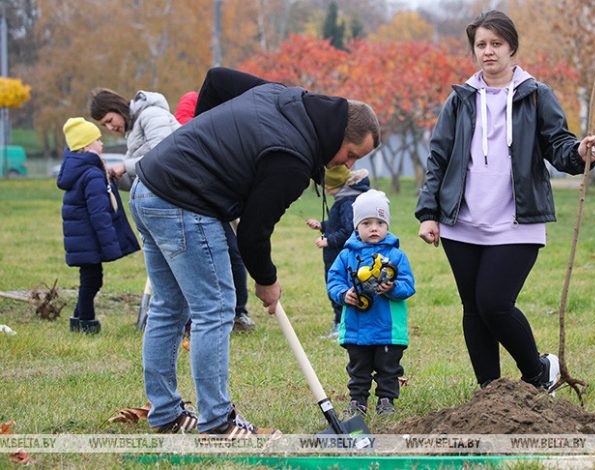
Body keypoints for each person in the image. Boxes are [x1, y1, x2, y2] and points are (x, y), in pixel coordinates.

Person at [128, 67, 380, 436]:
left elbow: (216, 79)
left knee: (169, 306)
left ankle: (166, 413)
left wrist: (198, 143)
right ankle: (217, 423)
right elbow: (253, 233)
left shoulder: (286, 97)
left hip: (148, 187)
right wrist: (267, 281)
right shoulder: (293, 159)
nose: (348, 164)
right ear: (338, 134)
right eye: (351, 153)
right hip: (182, 200)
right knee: (214, 308)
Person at [415, 10, 595, 393]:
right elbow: (438, 157)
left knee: (494, 303)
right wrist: (428, 213)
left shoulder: (536, 95)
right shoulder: (460, 99)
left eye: (496, 44)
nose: (488, 52)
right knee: (473, 310)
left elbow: (559, 145)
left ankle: (538, 372)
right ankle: (490, 393)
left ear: (512, 48)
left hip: (516, 222)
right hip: (461, 223)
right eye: (481, 45)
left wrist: (582, 153)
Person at [327, 189, 415, 417]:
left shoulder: (396, 256)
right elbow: (334, 279)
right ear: (357, 226)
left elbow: (408, 285)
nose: (374, 228)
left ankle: (386, 400)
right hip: (357, 327)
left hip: (388, 328)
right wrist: (343, 294)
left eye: (379, 222)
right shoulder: (346, 255)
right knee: (358, 367)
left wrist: (393, 288)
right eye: (366, 223)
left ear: (387, 225)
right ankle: (358, 401)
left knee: (389, 367)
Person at [173, 91, 255, 332]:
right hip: (191, 203)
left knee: (233, 252)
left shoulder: (223, 128)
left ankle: (238, 311)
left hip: (221, 199)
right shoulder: (185, 121)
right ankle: (194, 315)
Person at [57, 118, 140, 334]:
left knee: (90, 279)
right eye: (97, 140)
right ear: (86, 147)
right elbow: (99, 212)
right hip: (89, 238)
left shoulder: (78, 170)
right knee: (92, 281)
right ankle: (85, 321)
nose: (102, 144)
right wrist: (109, 244)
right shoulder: (92, 174)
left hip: (82, 237)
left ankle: (80, 317)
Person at [305, 165, 371, 339]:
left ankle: (344, 326)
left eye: (328, 187)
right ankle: (340, 323)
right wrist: (322, 225)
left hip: (340, 256)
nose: (326, 190)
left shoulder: (347, 202)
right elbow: (339, 224)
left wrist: (328, 240)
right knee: (336, 288)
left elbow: (350, 230)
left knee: (340, 288)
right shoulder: (344, 200)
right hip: (334, 256)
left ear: (337, 185)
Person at [89, 88, 180, 190]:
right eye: (105, 125)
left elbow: (163, 156)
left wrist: (125, 167)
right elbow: (136, 179)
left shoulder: (151, 114)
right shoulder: (132, 132)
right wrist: (110, 175)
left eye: (109, 120)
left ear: (117, 108)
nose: (110, 128)